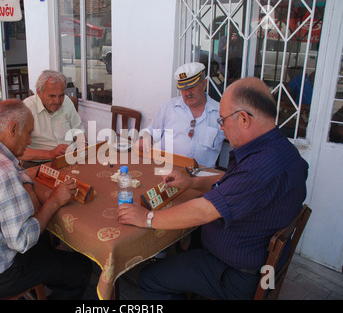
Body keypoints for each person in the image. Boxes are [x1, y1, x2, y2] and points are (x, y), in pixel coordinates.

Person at [118, 77, 309, 300]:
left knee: (150, 278)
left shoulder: (259, 169)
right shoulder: (284, 151)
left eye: (223, 120)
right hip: (254, 254)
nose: (221, 127)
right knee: (183, 239)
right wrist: (192, 181)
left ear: (244, 119)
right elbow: (232, 181)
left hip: (236, 273)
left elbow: (203, 210)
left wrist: (147, 218)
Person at [0, 99, 92, 299]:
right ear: (13, 129)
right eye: (29, 133)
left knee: (45, 240)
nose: (29, 140)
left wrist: (26, 184)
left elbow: (16, 167)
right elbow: (22, 241)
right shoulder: (2, 171)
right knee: (81, 267)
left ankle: (43, 280)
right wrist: (54, 201)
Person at [136, 62, 225, 167]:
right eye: (183, 88)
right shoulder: (169, 107)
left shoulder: (220, 112)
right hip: (167, 169)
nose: (187, 93)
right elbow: (151, 132)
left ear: (204, 84)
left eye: (192, 87)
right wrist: (145, 139)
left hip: (202, 176)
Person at [19, 70, 86, 168]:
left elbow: (79, 131)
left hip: (68, 159)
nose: (57, 101)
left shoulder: (67, 101)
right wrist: (50, 153)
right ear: (39, 92)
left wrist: (81, 147)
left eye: (61, 95)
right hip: (38, 163)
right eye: (52, 96)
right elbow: (20, 152)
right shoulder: (26, 108)